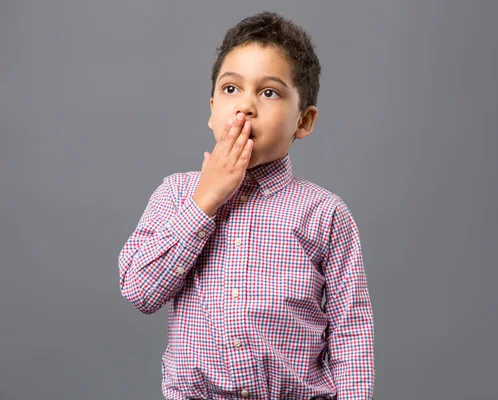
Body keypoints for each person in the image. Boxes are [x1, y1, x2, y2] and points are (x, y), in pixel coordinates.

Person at [118, 11, 374, 399]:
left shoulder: (325, 213)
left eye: (269, 92)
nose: (246, 107)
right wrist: (205, 201)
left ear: (303, 122)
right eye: (231, 89)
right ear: (211, 109)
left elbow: (350, 329)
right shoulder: (175, 195)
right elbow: (140, 290)